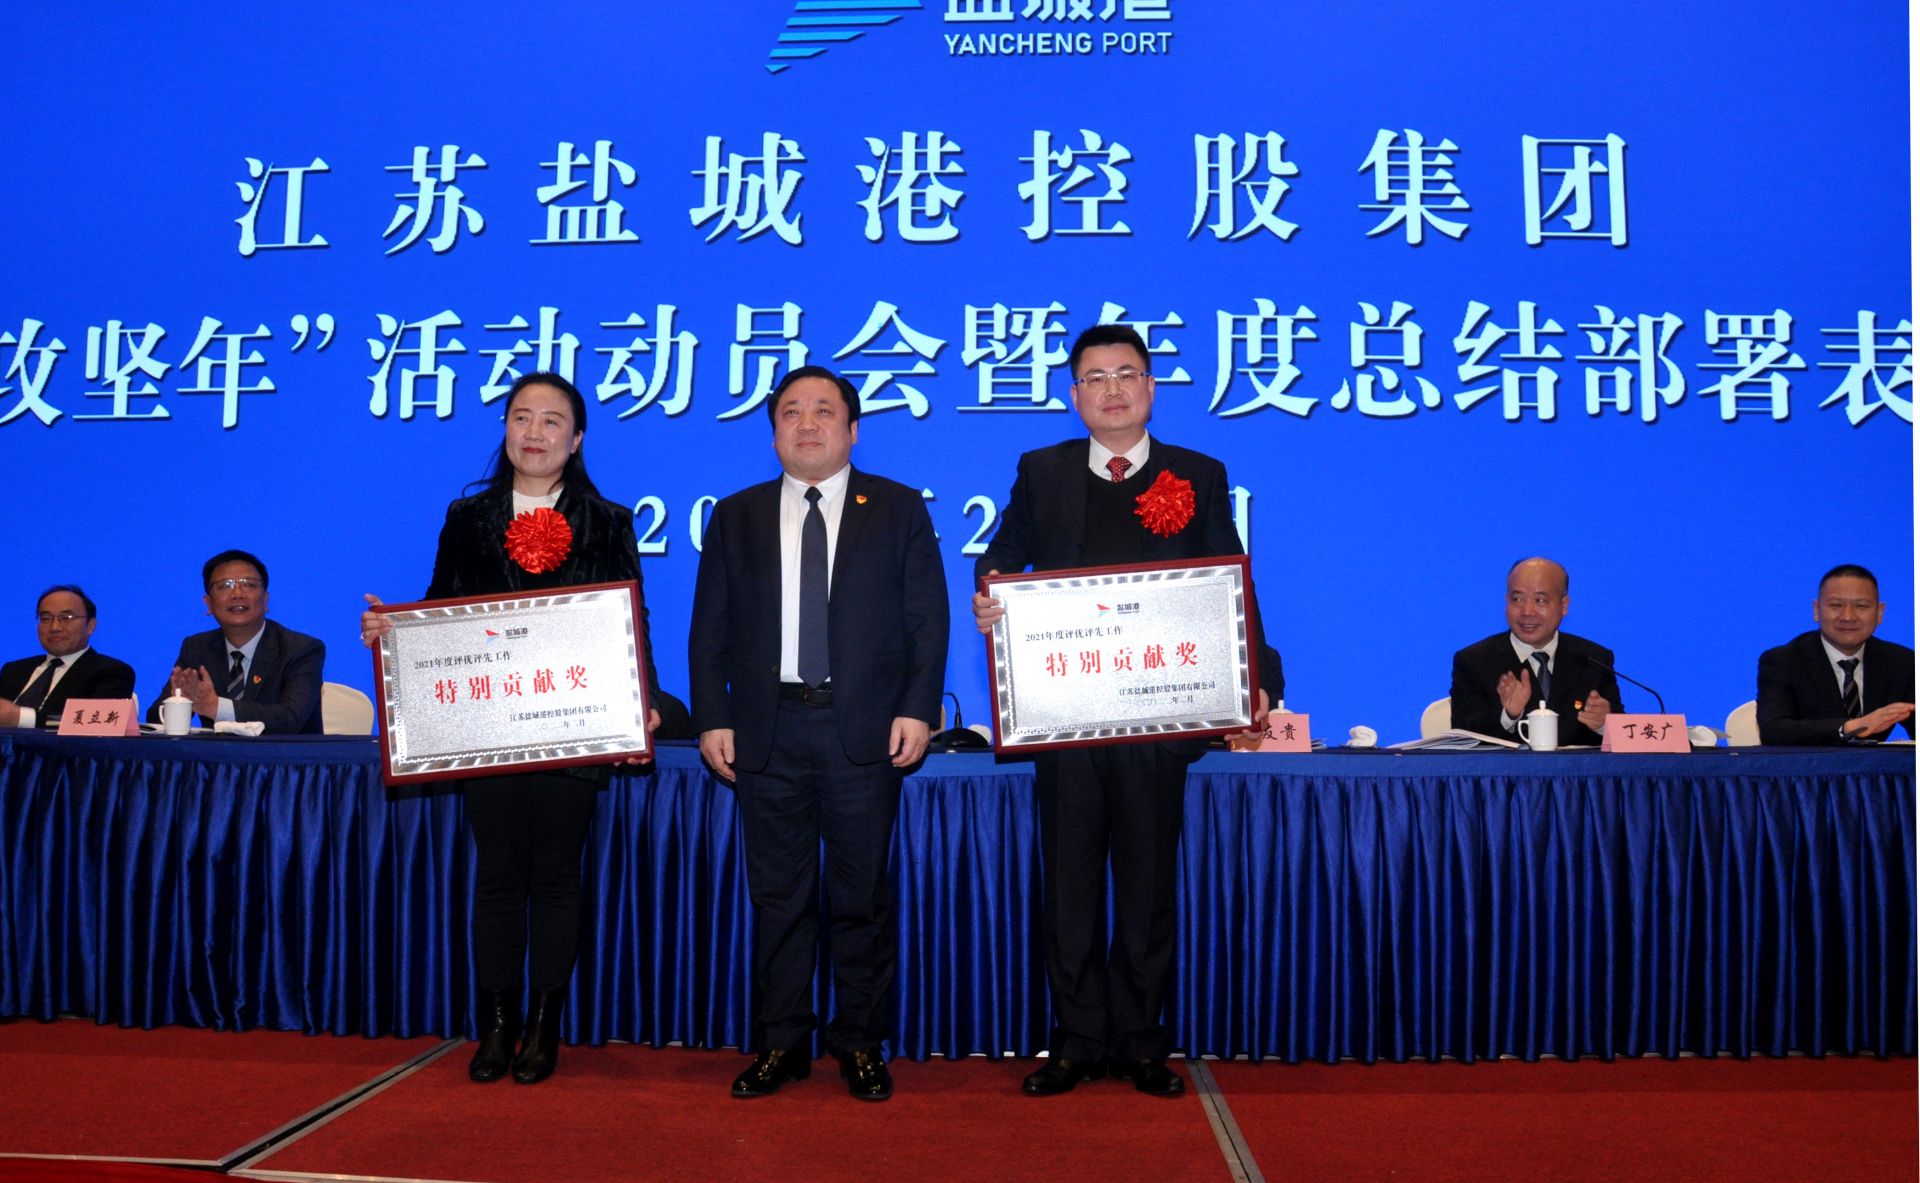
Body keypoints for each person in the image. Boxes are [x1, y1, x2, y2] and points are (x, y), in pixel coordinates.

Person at [971, 324, 1283, 1098]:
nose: (1111, 389)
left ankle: (1142, 1041)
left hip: (1157, 722)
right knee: (1069, 887)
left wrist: (1256, 675)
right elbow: (1004, 552)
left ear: (1150, 388)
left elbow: (1231, 582)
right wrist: (993, 592)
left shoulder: (1196, 473)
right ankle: (1077, 1040)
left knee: (1146, 890)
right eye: (1095, 377)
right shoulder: (1041, 470)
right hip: (1068, 721)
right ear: (1075, 395)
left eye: (1126, 374)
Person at [360, 371, 675, 1085]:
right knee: (499, 876)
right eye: (521, 417)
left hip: (575, 720)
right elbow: (440, 607)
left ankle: (543, 1023)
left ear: (577, 438)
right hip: (489, 727)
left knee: (557, 876)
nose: (535, 432)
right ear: (504, 429)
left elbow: (631, 615)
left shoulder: (607, 520)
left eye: (552, 420)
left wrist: (640, 701)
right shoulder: (467, 517)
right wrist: (392, 632)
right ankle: (497, 1023)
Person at [690, 365, 948, 1103]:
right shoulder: (736, 515)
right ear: (773, 430)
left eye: (824, 411)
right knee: (779, 898)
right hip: (766, 729)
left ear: (853, 429)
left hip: (860, 729)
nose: (807, 424)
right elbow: (709, 629)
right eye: (791, 412)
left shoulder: (896, 507)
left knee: (861, 896)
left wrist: (918, 707)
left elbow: (927, 619)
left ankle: (860, 1042)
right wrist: (713, 715)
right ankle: (782, 1042)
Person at [148, 550, 326, 735]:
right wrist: (178, 702)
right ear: (208, 604)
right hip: (215, 754)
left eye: (249, 584)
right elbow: (154, 720)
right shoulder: (197, 648)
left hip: (284, 754)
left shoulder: (301, 649)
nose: (237, 593)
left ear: (265, 600)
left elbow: (291, 719)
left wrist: (215, 707)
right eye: (225, 586)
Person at [1449, 557, 1620, 745]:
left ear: (1564, 605)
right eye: (1517, 599)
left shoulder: (1594, 660)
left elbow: (1625, 736)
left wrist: (1604, 725)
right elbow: (1463, 737)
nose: (1527, 611)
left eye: (1540, 600)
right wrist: (1508, 715)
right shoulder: (1474, 661)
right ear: (1506, 601)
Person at [1756, 563, 1915, 744]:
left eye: (1861, 606)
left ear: (1880, 612)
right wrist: (1851, 727)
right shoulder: (1783, 661)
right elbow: (1773, 731)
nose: (1848, 616)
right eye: (1836, 605)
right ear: (1817, 610)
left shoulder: (1902, 661)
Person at [0, 585, 137, 729]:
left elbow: (97, 722)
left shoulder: (111, 672)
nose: (55, 627)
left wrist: (21, 718)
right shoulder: (14, 670)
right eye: (46, 618)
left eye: (66, 618)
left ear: (90, 626)